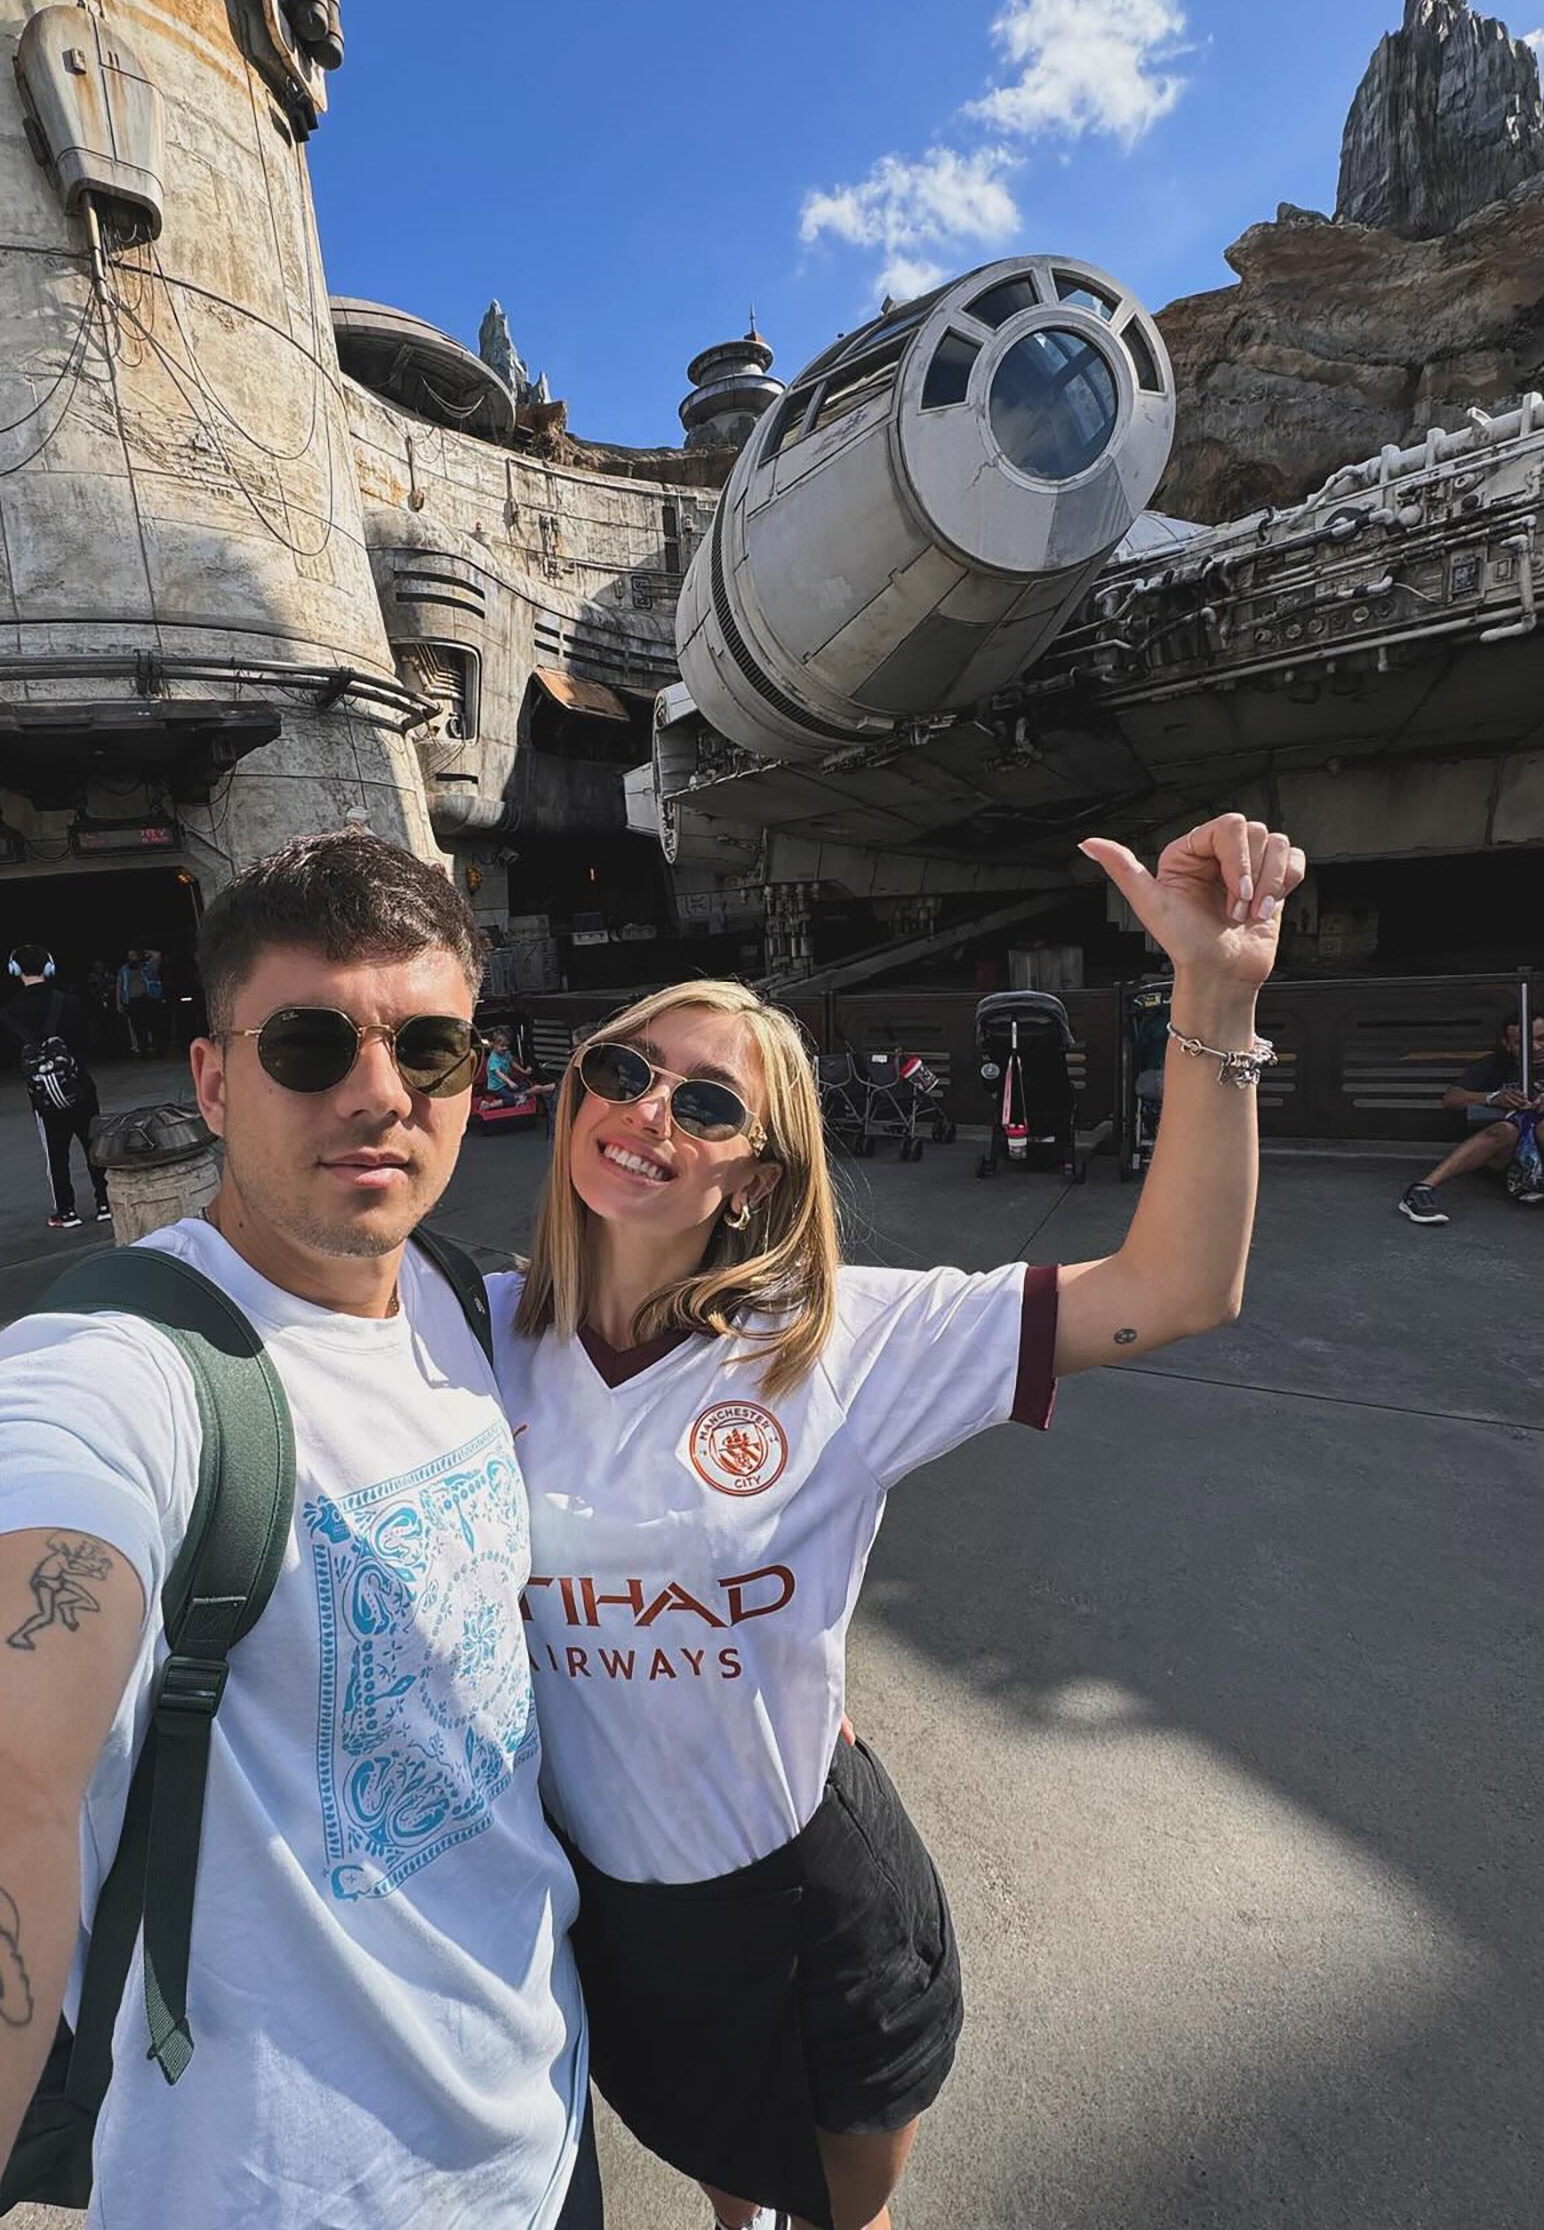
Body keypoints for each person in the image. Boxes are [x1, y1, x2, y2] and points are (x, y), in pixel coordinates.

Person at [0, 831, 592, 2230]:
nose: (381, 1092)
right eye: (310, 1045)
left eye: (431, 1048)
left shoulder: (461, 1301)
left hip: (548, 2121)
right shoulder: (120, 1371)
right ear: (212, 1081)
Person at [492, 813, 1302, 2230]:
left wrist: (1217, 997)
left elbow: (1174, 1289)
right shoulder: (470, 1331)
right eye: (622, 1071)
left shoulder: (838, 1341)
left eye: (707, 1105)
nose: (648, 1112)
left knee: (834, 2205)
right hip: (613, 1906)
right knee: (719, 2172)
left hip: (803, 1903)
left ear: (757, 1175)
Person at [1396, 1011, 1544, 1224]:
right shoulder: (1495, 1065)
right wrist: (1492, 1098)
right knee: (1505, 1130)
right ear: (1507, 1044)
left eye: (1543, 1038)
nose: (1535, 1048)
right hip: (1507, 1158)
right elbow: (1451, 1099)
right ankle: (1421, 1190)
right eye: (1522, 1043)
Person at [1, 946, 110, 1230]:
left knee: (56, 1155)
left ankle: (66, 1212)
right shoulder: (69, 1002)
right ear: (49, 967)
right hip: (80, 1086)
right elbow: (87, 1039)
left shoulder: (8, 1013)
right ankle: (104, 1203)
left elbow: (11, 1057)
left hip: (44, 1096)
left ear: (15, 970)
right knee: (95, 1145)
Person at [116, 946, 168, 1058]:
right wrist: (119, 1003)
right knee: (138, 1027)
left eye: (134, 955)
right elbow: (119, 987)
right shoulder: (124, 970)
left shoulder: (147, 966)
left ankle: (158, 1049)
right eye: (129, 956)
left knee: (154, 1025)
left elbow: (158, 955)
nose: (131, 958)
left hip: (149, 999)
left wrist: (144, 951)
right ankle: (144, 1051)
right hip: (133, 1001)